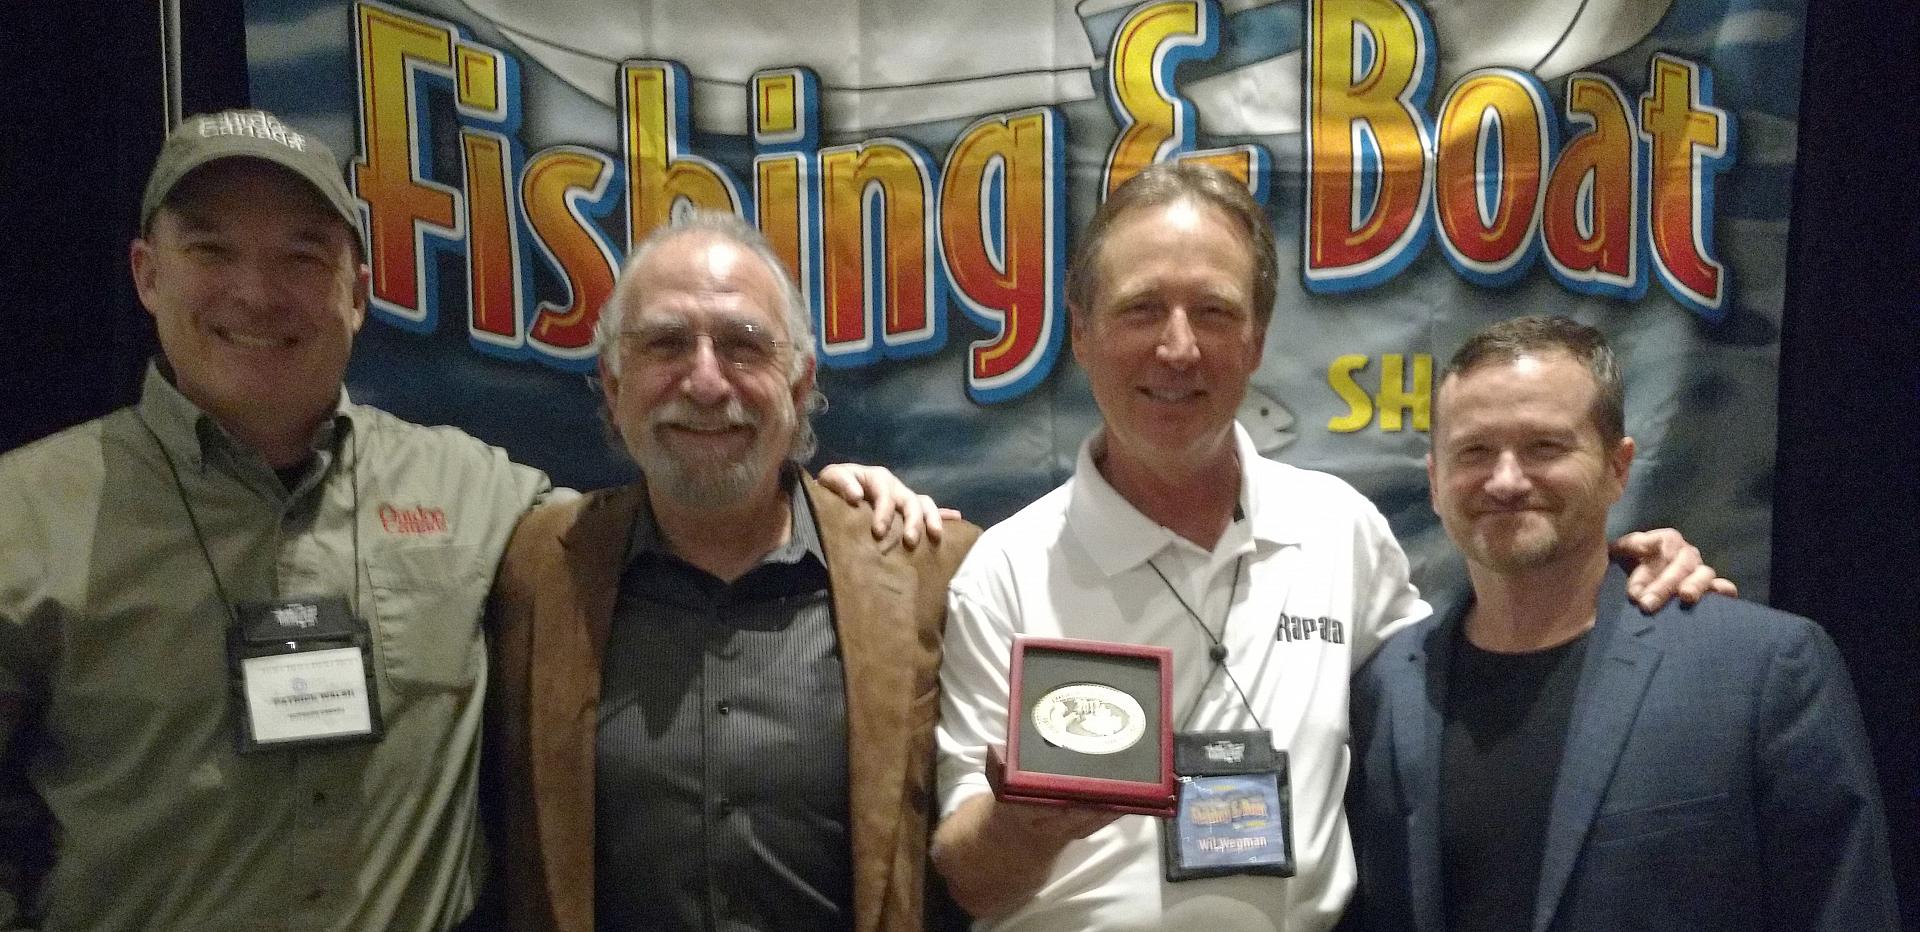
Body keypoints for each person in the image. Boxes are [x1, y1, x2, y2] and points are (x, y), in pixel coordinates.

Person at [0, 108, 944, 932]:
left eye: (301, 255)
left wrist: (834, 496)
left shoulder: (480, 499)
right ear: (145, 274)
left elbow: (695, 490)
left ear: (359, 292)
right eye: (211, 251)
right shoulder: (23, 517)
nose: (256, 291)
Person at [929, 164, 1726, 932]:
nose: (1178, 349)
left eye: (1213, 311)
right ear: (1083, 332)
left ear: (1257, 338)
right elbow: (967, 882)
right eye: (1142, 310)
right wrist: (1026, 825)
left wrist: (1615, 577)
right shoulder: (1006, 569)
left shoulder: (1337, 529)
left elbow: (1484, 666)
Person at [484, 211, 980, 932]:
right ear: (613, 383)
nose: (707, 383)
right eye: (666, 343)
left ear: (801, 385)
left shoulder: (926, 566)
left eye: (744, 345)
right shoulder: (535, 566)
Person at [1344, 316, 1898, 931]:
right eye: (1474, 451)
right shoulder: (1383, 688)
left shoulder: (1765, 670)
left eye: (1544, 447)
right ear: (1435, 483)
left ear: (1617, 466)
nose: (1506, 479)